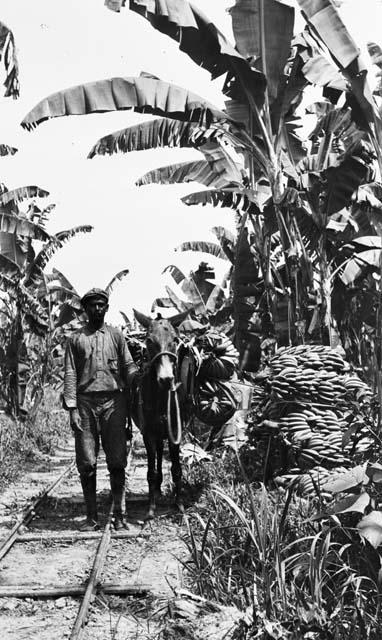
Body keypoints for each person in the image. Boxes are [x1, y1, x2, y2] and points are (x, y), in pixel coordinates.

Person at [63, 288, 138, 531]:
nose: (97, 309)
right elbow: (70, 374)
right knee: (87, 462)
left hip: (114, 404)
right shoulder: (75, 339)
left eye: (101, 305)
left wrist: (141, 381)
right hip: (85, 404)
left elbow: (129, 367)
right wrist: (72, 409)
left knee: (117, 461)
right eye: (92, 305)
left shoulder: (116, 336)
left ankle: (119, 515)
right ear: (85, 309)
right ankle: (92, 517)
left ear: (106, 308)